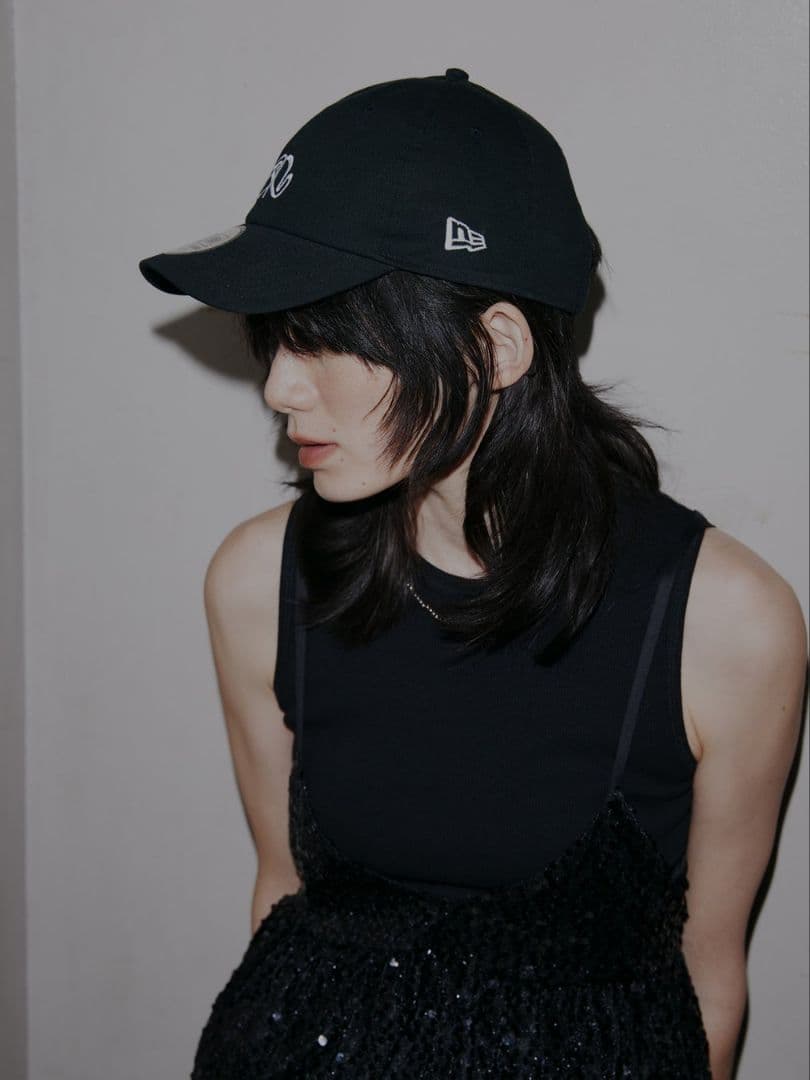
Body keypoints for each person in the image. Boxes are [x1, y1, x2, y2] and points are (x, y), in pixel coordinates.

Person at [139, 69, 806, 1079]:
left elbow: (708, 978)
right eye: (276, 335)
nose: (278, 385)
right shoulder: (255, 581)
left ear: (495, 347)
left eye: (324, 337)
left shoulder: (727, 622)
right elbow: (281, 898)